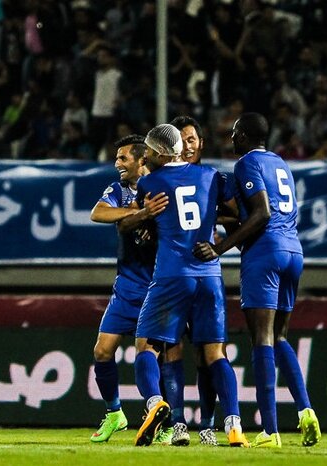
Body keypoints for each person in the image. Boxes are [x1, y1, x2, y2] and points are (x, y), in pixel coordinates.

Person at [193, 112, 322, 448]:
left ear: (244, 136)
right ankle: (306, 409)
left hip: (266, 253)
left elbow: (262, 213)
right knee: (280, 336)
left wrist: (219, 247)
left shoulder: (247, 163)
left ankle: (270, 429)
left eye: (235, 132)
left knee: (261, 338)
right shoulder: (281, 163)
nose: (231, 138)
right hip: (293, 251)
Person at [132, 124, 248, 448]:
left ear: (159, 152)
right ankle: (234, 425)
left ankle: (155, 404)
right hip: (209, 274)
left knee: (147, 347)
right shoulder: (211, 176)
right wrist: (210, 221)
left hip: (172, 273)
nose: (146, 155)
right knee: (215, 354)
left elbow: (146, 220)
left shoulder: (150, 182)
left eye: (148, 150)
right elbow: (236, 212)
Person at [88, 134, 169, 443]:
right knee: (102, 350)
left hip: (156, 286)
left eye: (123, 158)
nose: (117, 163)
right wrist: (140, 215)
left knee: (149, 354)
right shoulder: (119, 190)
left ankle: (162, 421)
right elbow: (98, 213)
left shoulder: (162, 187)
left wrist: (153, 226)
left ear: (142, 159)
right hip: (126, 286)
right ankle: (114, 414)